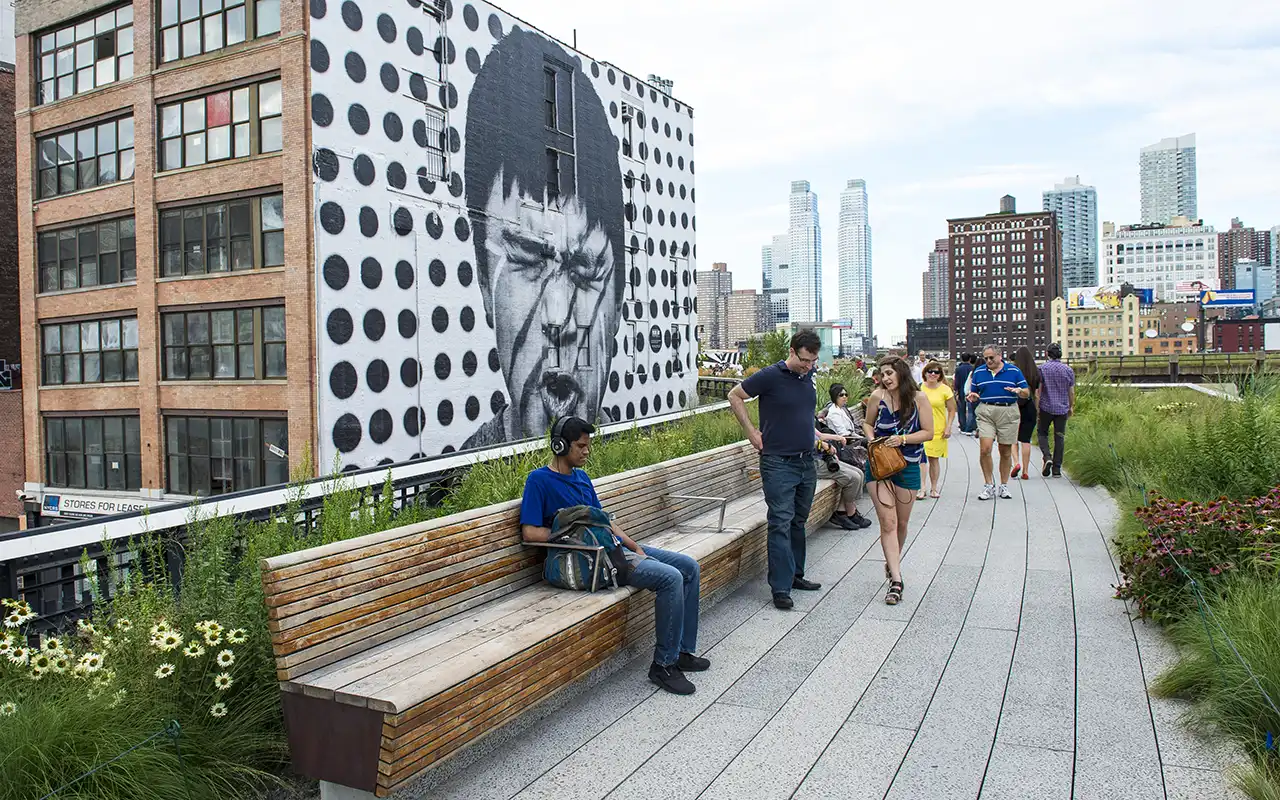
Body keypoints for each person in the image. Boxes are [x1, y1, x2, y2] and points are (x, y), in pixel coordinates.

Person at [463, 29, 627, 449]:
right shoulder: (457, 478)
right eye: (530, 261)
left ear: (618, 301)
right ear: (485, 285)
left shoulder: (627, 448)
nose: (562, 319)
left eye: (586, 271)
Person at [520, 416, 708, 695]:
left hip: (612, 549)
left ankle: (681, 651)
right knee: (670, 578)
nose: (587, 452)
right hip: (590, 560)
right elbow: (530, 533)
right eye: (581, 446)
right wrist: (572, 533)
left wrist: (634, 546)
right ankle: (663, 666)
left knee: (688, 566)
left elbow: (605, 522)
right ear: (560, 445)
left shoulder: (582, 478)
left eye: (588, 446)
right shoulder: (539, 481)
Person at [727, 330, 825, 610]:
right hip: (778, 463)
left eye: (813, 361)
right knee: (780, 521)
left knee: (798, 521)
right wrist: (750, 432)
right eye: (805, 360)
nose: (808, 366)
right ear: (792, 351)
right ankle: (780, 588)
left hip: (807, 461)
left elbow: (802, 414)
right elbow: (735, 395)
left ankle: (795, 575)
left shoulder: (808, 377)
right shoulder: (770, 375)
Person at [863, 357, 933, 605]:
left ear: (901, 373)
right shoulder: (877, 396)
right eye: (882, 374)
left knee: (902, 523)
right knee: (887, 522)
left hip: (909, 464)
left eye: (890, 373)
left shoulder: (918, 398)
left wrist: (902, 440)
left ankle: (892, 562)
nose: (886, 378)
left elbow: (928, 432)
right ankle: (896, 579)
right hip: (880, 466)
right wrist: (873, 439)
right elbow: (867, 423)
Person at [967, 345, 1031, 500]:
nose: (988, 361)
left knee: (1005, 450)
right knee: (985, 448)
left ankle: (1003, 485)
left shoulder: (1014, 371)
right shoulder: (979, 372)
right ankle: (988, 484)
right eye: (986, 358)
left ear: (999, 356)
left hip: (1008, 411)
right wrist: (973, 396)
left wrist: (1019, 391)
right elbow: (973, 391)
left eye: (991, 358)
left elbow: (1026, 392)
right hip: (986, 410)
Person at [1036, 343, 1076, 477]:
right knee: (1059, 437)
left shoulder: (1042, 369)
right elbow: (1071, 391)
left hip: (1045, 407)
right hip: (1062, 408)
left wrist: (1037, 408)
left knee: (1042, 433)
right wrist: (1071, 406)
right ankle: (1057, 469)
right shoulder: (1068, 370)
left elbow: (1038, 391)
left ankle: (1047, 457)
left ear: (1047, 354)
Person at [919, 361, 956, 499]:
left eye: (936, 372)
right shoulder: (920, 388)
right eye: (930, 371)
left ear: (940, 374)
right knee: (921, 459)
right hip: (921, 427)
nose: (933, 374)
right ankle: (922, 488)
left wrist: (949, 426)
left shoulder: (945, 389)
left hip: (938, 428)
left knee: (934, 459)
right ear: (925, 373)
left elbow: (952, 410)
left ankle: (934, 488)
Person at [1010, 346, 1041, 481]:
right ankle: (1026, 471)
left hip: (1015, 406)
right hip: (1030, 406)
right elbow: (1038, 394)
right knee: (1026, 440)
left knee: (1013, 438)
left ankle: (1016, 463)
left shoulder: (1015, 371)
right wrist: (1038, 409)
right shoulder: (1036, 372)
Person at [953, 353, 975, 437]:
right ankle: (970, 427)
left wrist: (956, 391)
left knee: (961, 410)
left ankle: (962, 426)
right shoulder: (972, 368)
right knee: (970, 411)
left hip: (961, 391)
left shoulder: (958, 369)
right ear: (969, 359)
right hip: (970, 392)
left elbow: (956, 381)